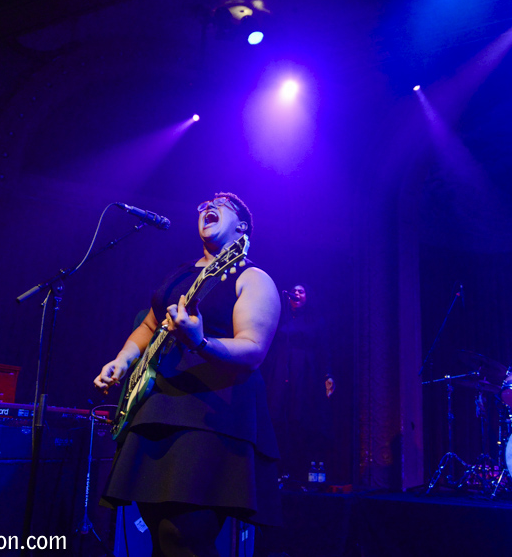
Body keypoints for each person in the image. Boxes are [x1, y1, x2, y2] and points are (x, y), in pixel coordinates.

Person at [95, 192, 281, 557]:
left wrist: (200, 341)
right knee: (160, 535)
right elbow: (149, 326)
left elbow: (253, 349)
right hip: (159, 410)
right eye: (205, 204)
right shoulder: (180, 274)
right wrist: (122, 360)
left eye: (222, 205)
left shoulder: (251, 277)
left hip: (212, 414)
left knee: (186, 537)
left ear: (242, 227)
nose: (209, 206)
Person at [262, 283, 335, 488]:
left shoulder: (316, 320)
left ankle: (299, 470)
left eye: (301, 291)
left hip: (305, 373)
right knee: (277, 416)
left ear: (308, 296)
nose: (296, 294)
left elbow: (324, 350)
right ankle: (278, 470)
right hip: (280, 371)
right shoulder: (281, 317)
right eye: (294, 291)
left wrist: (328, 374)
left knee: (300, 418)